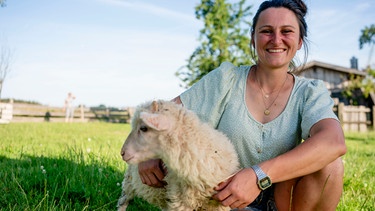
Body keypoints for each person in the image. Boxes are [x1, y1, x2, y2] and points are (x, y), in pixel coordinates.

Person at [136, 0, 347, 210]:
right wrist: (147, 150)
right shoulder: (226, 79)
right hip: (221, 200)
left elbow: (333, 142)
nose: (276, 40)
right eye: (266, 31)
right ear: (253, 38)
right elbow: (163, 113)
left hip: (285, 200)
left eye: (287, 31)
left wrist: (258, 175)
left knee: (330, 165)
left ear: (300, 41)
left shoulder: (310, 92)